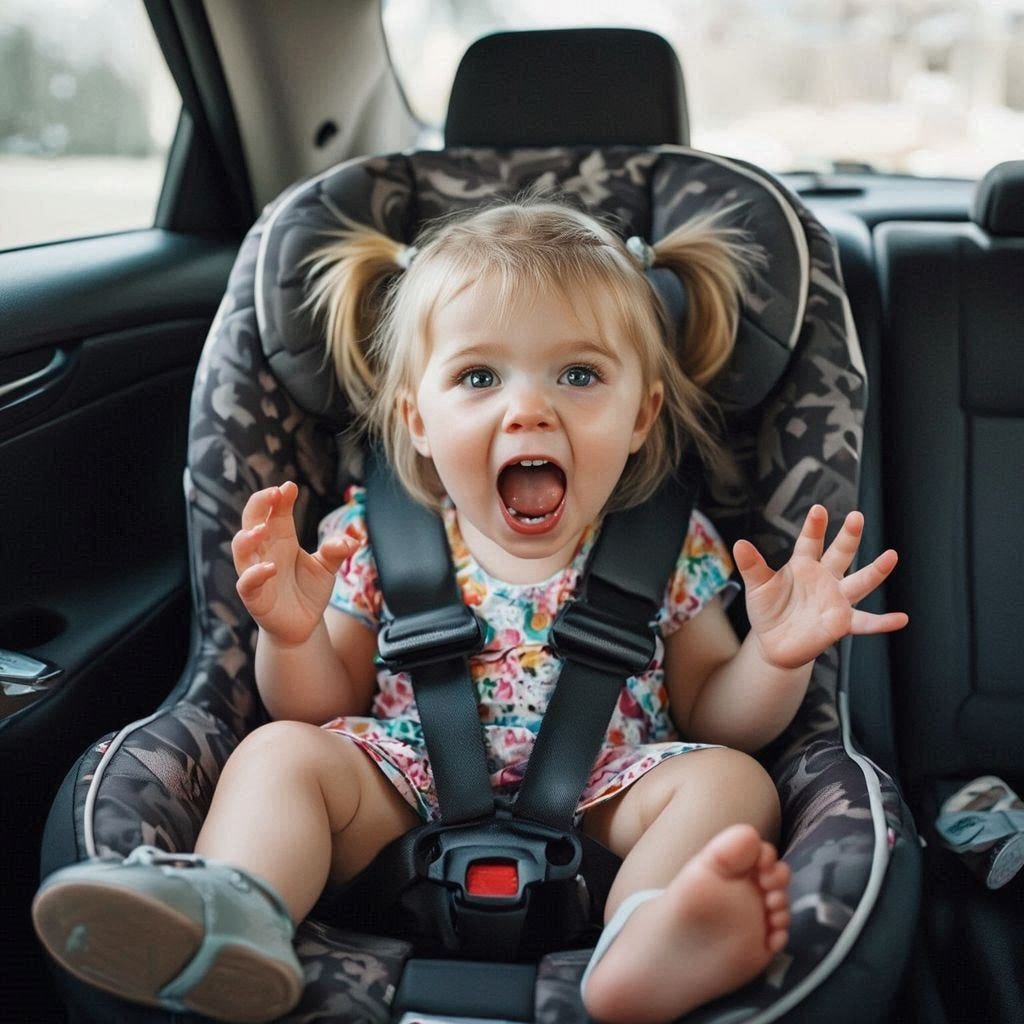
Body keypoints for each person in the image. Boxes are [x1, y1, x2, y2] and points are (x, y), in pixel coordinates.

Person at [32, 200, 908, 1024]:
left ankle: (647, 935)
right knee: (279, 752)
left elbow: (720, 715)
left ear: (642, 414)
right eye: (480, 375)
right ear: (416, 418)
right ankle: (234, 909)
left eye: (578, 374)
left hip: (607, 804)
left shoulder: (673, 547)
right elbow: (315, 704)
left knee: (731, 780)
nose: (530, 406)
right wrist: (291, 633)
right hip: (397, 793)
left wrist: (777, 656)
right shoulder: (367, 539)